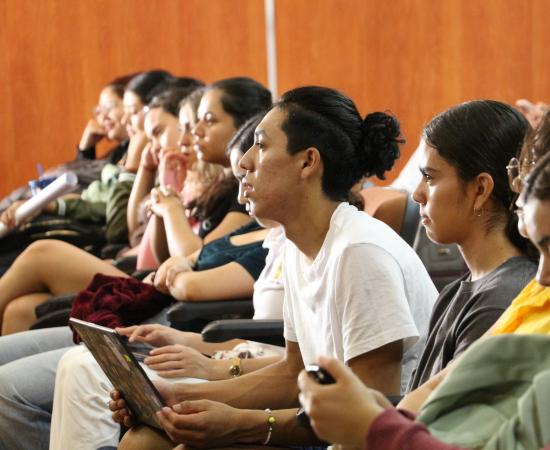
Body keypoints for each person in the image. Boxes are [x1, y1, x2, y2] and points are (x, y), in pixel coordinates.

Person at [111, 86, 438, 449]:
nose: (244, 162)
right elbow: (293, 372)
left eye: (262, 146)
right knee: (149, 434)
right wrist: (175, 395)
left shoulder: (360, 252)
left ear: (307, 162)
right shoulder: (298, 248)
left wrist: (244, 425)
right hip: (330, 425)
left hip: (377, 438)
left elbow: (371, 416)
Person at [0, 77, 275, 450]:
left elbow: (183, 272)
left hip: (171, 315)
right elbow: (150, 249)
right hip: (155, 310)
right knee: (21, 309)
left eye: (206, 121)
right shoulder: (230, 203)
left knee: (43, 255)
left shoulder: (248, 215)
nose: (195, 133)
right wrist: (155, 179)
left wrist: (172, 217)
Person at [297, 149, 550, 450]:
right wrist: (386, 416)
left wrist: (375, 428)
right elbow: (437, 391)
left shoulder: (503, 296)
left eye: (429, 177)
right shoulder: (493, 295)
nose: (542, 275)